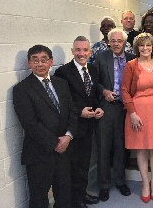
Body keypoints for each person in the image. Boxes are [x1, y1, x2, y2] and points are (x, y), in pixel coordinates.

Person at [13, 45, 77, 208]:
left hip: (64, 150)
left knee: (64, 196)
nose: (40, 64)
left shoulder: (62, 84)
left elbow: (72, 111)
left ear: (51, 62)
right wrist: (55, 143)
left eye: (44, 59)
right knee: (39, 198)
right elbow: (29, 123)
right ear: (29, 63)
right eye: (35, 60)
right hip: (39, 154)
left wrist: (68, 136)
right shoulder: (21, 89)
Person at [54, 36, 104, 208]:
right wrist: (79, 111)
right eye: (78, 50)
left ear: (90, 52)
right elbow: (63, 100)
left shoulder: (94, 69)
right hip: (73, 127)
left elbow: (94, 94)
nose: (81, 53)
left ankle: (82, 195)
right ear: (72, 51)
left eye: (85, 50)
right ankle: (75, 200)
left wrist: (98, 108)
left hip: (90, 126)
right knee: (73, 165)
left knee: (84, 163)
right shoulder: (63, 72)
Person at [122, 33, 153, 203]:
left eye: (148, 45)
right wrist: (132, 113)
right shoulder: (131, 65)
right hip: (138, 111)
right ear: (137, 48)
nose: (145, 48)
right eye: (142, 45)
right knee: (141, 149)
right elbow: (125, 91)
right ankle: (145, 184)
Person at [94, 29, 135, 202]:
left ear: (125, 43)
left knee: (121, 146)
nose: (116, 43)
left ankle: (120, 181)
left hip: (126, 108)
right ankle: (104, 185)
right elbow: (94, 81)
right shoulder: (101, 57)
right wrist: (104, 92)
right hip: (108, 106)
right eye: (113, 40)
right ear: (109, 42)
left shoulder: (133, 58)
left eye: (120, 40)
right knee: (104, 147)